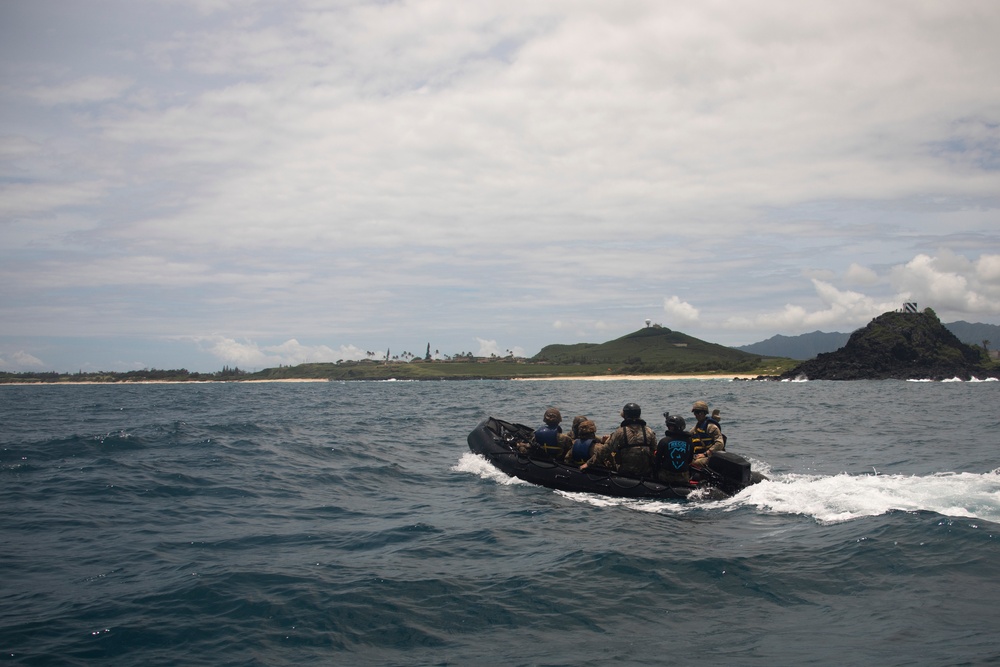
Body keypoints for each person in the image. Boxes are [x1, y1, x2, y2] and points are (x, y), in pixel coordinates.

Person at [602, 402, 656, 477]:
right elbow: (654, 450)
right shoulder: (649, 431)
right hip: (646, 471)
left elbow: (606, 450)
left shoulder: (619, 432)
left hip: (626, 471)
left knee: (611, 454)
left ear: (625, 415)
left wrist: (588, 464)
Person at [653, 413, 693, 485]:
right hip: (684, 477)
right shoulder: (689, 442)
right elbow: (690, 459)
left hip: (666, 477)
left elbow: (657, 461)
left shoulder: (664, 441)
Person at [690, 400, 725, 468]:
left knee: (694, 463)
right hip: (698, 455)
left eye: (698, 412)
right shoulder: (695, 429)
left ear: (704, 413)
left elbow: (720, 443)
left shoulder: (711, 427)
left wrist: (706, 454)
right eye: (695, 413)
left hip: (711, 456)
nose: (697, 415)